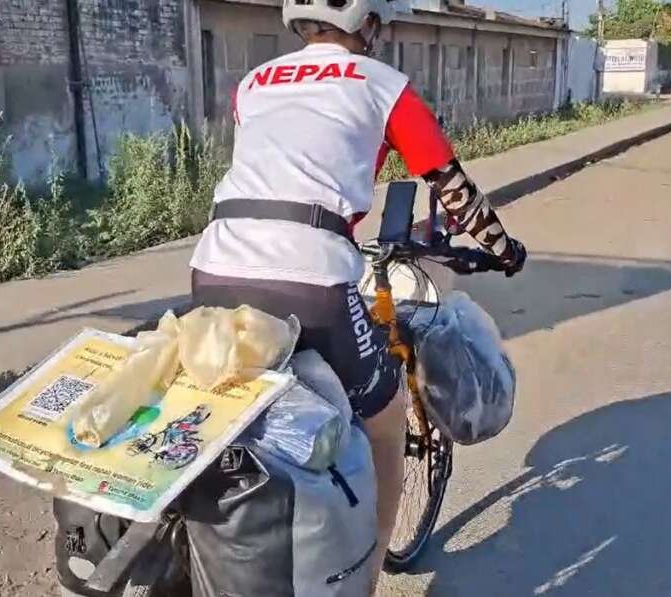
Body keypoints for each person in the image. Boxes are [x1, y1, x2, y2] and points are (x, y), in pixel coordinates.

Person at [188, 0, 526, 589]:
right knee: (385, 418)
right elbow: (454, 192)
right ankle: (365, 579)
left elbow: (292, 166)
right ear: (366, 22)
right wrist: (503, 249)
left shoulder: (253, 83)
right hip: (312, 274)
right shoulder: (384, 84)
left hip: (214, 267)